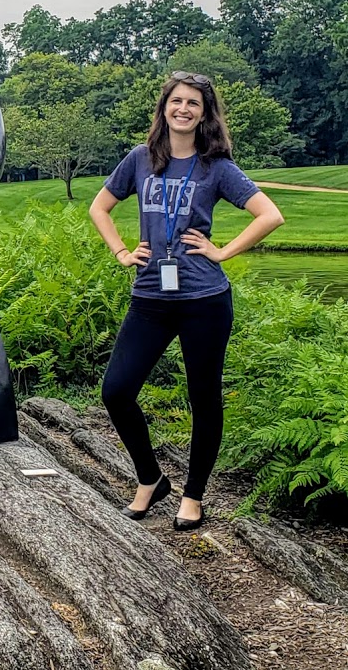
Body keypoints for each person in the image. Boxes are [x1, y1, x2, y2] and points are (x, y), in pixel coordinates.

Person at [89, 71, 284, 531]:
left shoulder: (216, 166)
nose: (183, 109)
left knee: (204, 398)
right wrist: (121, 251)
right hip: (151, 297)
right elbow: (99, 207)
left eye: (193, 104)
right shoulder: (140, 160)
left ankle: (193, 495)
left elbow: (269, 214)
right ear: (164, 108)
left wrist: (222, 251)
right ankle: (150, 479)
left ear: (204, 114)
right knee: (116, 391)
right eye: (176, 101)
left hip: (205, 299)